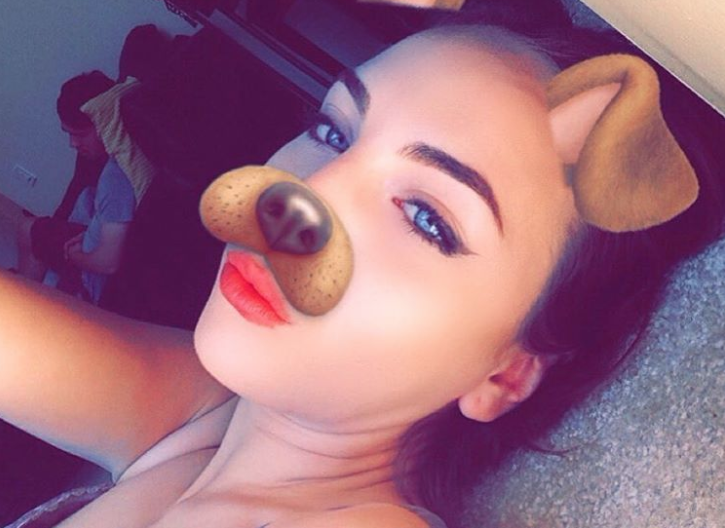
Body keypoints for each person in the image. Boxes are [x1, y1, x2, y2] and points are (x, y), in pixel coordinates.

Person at [0, 9, 723, 528]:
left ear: (504, 375)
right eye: (332, 131)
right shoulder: (198, 418)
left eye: (427, 218)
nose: (297, 198)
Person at [10, 72, 137, 304]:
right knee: (37, 228)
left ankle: (23, 302)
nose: (73, 143)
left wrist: (74, 255)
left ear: (105, 123)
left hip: (98, 257)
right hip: (90, 233)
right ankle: (27, 286)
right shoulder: (94, 156)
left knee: (28, 230)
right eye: (68, 134)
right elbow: (71, 199)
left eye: (80, 134)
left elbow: (109, 261)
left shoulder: (118, 173)